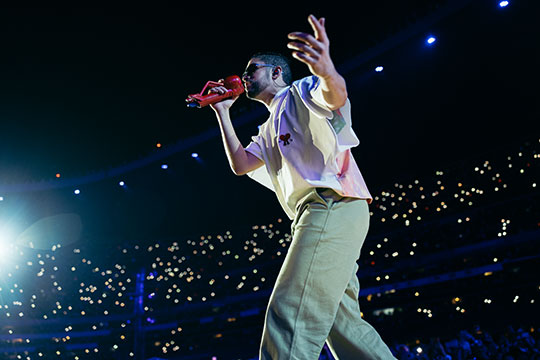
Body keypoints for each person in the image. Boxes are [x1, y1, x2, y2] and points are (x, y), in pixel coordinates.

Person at [210, 14, 396, 360]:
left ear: (276, 73)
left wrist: (325, 69)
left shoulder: (301, 91)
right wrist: (222, 112)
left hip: (330, 206)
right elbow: (240, 164)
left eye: (253, 69)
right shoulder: (267, 128)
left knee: (289, 310)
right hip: (322, 215)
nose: (245, 76)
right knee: (344, 328)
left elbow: (334, 95)